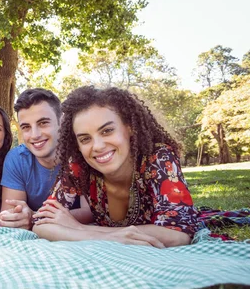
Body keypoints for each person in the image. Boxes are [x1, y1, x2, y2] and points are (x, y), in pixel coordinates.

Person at [32, 86, 198, 248]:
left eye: (107, 131)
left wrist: (79, 228)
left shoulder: (158, 157)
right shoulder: (78, 166)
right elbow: (42, 223)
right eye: (85, 139)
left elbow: (178, 235)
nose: (97, 146)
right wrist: (109, 238)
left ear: (129, 127)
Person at [0, 88, 86, 230]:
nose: (35, 135)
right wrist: (18, 218)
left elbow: (91, 212)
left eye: (43, 123)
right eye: (26, 127)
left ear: (62, 121)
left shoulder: (81, 152)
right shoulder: (17, 159)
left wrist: (34, 217)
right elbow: (10, 214)